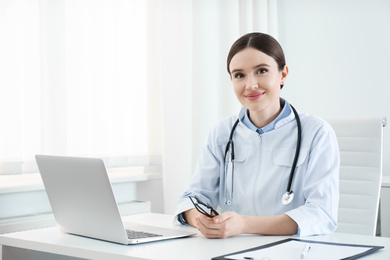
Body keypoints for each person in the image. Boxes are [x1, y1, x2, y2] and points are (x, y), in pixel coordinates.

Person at [174, 32, 340, 238]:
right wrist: (203, 221)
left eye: (261, 71)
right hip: (233, 247)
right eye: (239, 75)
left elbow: (321, 213)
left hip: (292, 250)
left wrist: (243, 224)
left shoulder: (316, 133)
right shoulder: (222, 132)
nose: (250, 85)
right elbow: (193, 197)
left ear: (283, 74)